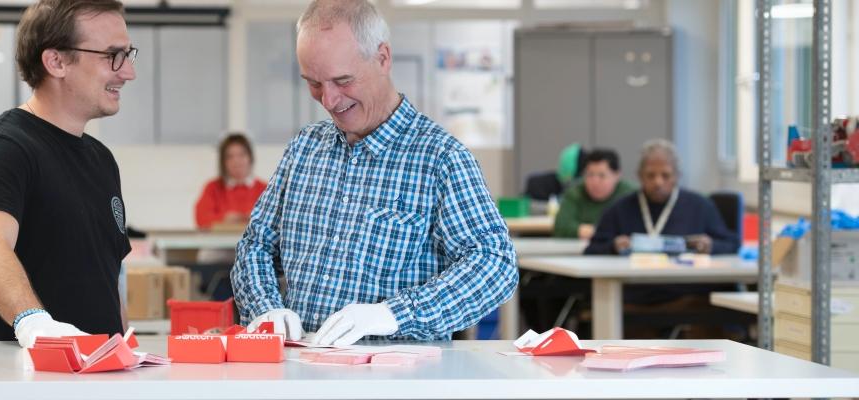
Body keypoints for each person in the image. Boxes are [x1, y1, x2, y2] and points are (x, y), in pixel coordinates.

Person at [231, 0, 518, 346]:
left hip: (394, 372)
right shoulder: (304, 149)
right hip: (298, 366)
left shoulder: (441, 159)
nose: (329, 100)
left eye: (343, 80)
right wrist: (265, 308)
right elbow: (256, 245)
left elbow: (495, 265)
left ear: (382, 58)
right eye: (314, 83)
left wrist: (395, 314)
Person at [0, 0, 138, 348]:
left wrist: (124, 348)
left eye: (128, 55)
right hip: (22, 371)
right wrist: (33, 324)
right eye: (112, 56)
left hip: (95, 368)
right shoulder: (3, 147)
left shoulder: (101, 160)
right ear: (56, 62)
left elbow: (106, 278)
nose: (128, 72)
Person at [585, 139, 739, 255]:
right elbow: (592, 249)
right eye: (650, 175)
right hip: (636, 285)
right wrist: (613, 246)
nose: (658, 182)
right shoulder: (620, 209)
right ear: (640, 176)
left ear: (677, 176)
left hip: (686, 286)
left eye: (666, 175)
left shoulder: (700, 206)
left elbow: (732, 243)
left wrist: (711, 245)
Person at [553, 148, 635, 239]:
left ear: (617, 175)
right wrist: (600, 232)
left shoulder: (630, 194)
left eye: (602, 176)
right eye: (590, 175)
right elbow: (560, 227)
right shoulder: (575, 193)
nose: (595, 182)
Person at [194, 133, 267, 230]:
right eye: (230, 156)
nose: (236, 161)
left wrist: (257, 219)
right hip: (221, 240)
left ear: (250, 158)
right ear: (223, 162)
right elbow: (201, 219)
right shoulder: (212, 188)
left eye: (241, 155)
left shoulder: (265, 189)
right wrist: (223, 219)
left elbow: (278, 221)